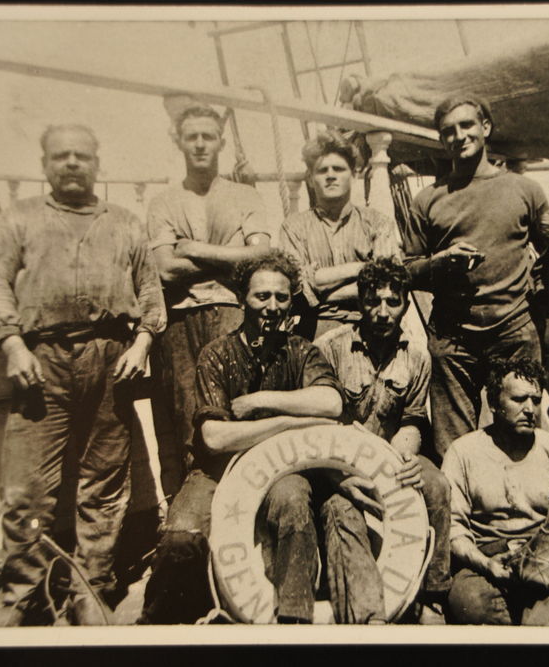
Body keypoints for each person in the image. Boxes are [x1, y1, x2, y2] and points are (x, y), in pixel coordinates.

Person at [140, 249, 412, 624]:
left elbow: (331, 402)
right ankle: (154, 629)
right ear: (241, 300)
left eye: (281, 297)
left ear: (291, 303)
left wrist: (260, 404)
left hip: (282, 472)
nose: (271, 306)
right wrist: (288, 423)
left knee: (293, 499)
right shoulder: (216, 355)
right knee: (181, 540)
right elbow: (215, 438)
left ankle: (291, 624)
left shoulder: (301, 351)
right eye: (261, 296)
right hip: (217, 471)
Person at [0, 124, 167, 626]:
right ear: (44, 165)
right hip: (41, 363)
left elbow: (151, 295)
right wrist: (12, 344)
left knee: (103, 483)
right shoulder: (19, 219)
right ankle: (22, 592)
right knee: (28, 488)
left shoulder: (125, 223)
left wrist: (143, 341)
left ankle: (92, 587)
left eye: (82, 155)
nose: (72, 163)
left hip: (110, 361)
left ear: (97, 163)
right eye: (61, 156)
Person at [400, 96, 549, 459]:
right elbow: (407, 269)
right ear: (441, 139)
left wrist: (543, 305)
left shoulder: (525, 190)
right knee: (453, 445)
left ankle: (524, 513)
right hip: (453, 337)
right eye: (448, 131)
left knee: (522, 431)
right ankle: (460, 515)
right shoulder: (427, 200)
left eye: (467, 125)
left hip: (514, 329)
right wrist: (441, 263)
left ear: (485, 128)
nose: (459, 136)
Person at [146, 104, 272, 497]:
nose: (200, 144)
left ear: (221, 141)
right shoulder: (164, 202)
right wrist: (228, 254)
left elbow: (260, 255)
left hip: (233, 316)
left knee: (239, 409)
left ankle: (247, 505)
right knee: (189, 421)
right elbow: (166, 270)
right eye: (192, 137)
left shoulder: (244, 195)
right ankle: (197, 519)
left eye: (208, 136)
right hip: (181, 323)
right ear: (178, 141)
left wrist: (197, 248)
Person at [314, 257, 451, 613]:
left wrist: (404, 456)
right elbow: (317, 424)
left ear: (406, 303)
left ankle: (432, 594)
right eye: (373, 301)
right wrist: (338, 471)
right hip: (338, 460)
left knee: (435, 485)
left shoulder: (418, 357)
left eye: (393, 302)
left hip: (392, 451)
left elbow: (414, 418)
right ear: (360, 303)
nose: (382, 312)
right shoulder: (330, 347)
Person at [442, 359, 549, 625]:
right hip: (487, 559)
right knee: (471, 605)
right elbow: (453, 529)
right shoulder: (463, 452)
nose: (530, 409)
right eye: (519, 399)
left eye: (536, 400)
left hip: (548, 558)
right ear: (494, 404)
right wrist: (487, 565)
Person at [279, 130, 401, 340]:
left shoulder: (378, 224)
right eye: (322, 170)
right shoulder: (293, 228)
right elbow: (294, 290)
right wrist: (361, 268)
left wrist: (317, 285)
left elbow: (387, 284)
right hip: (314, 331)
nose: (331, 175)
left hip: (369, 329)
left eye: (339, 169)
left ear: (353, 174)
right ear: (309, 178)